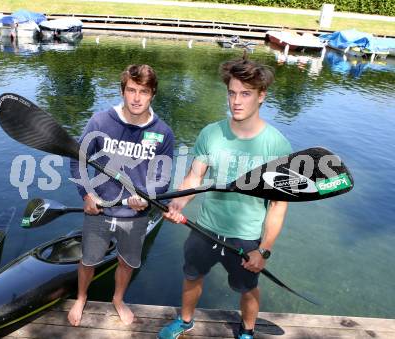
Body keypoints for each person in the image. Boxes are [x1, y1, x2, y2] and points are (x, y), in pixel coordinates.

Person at [158, 56, 292, 339]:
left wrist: (264, 250)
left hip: (246, 236)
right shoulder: (211, 133)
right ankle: (185, 321)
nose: (237, 101)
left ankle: (247, 331)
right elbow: (195, 178)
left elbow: (279, 205)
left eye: (246, 94)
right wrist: (177, 204)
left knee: (248, 287)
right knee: (192, 276)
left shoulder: (276, 144)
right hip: (205, 228)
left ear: (261, 96)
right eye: (232, 93)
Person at [68, 64, 174, 326]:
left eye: (144, 91)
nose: (137, 98)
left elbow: (162, 177)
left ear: (152, 95)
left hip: (135, 215)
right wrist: (86, 195)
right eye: (131, 90)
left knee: (127, 262)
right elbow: (77, 160)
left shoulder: (163, 133)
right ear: (122, 91)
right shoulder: (101, 121)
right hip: (99, 209)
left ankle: (117, 299)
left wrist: (149, 197)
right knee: (89, 259)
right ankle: (81, 297)